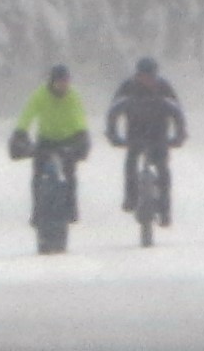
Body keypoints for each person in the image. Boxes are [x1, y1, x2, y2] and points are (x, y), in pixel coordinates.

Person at [14, 65, 92, 237]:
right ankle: (37, 211)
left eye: (66, 82)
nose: (63, 86)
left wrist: (82, 137)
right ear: (52, 82)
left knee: (70, 174)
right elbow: (28, 114)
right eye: (60, 82)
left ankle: (71, 209)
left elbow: (79, 118)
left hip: (68, 139)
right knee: (37, 175)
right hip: (46, 140)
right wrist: (20, 132)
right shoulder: (40, 95)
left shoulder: (73, 97)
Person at [107, 56, 188, 218]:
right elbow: (114, 112)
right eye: (143, 76)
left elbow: (177, 113)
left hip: (159, 134)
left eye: (151, 76)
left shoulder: (164, 88)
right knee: (131, 164)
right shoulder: (128, 88)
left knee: (163, 170)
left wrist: (179, 135)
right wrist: (113, 134)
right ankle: (131, 197)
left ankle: (164, 208)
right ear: (137, 75)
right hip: (135, 133)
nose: (147, 80)